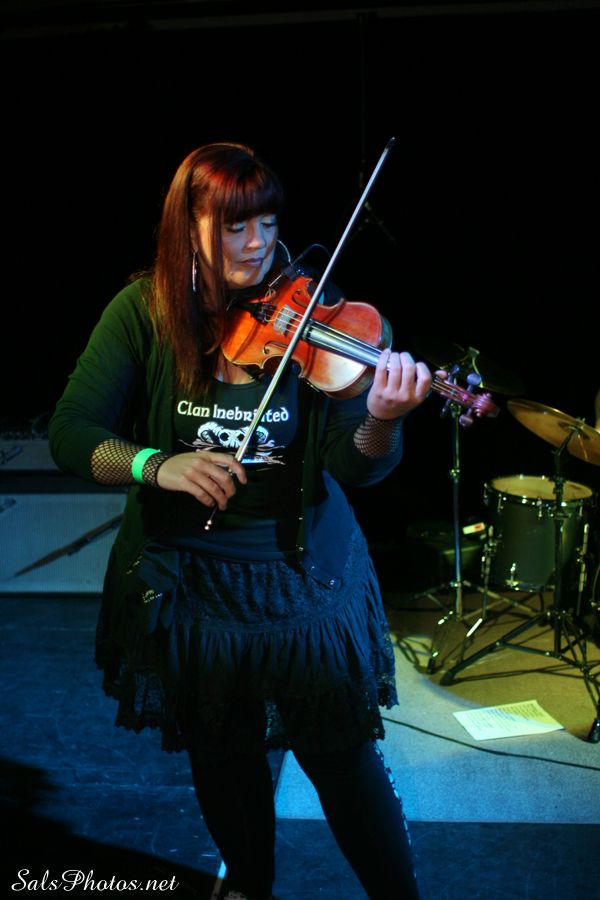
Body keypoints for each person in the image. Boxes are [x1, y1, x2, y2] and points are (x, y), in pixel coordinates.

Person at [48, 142, 432, 900]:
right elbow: (72, 432)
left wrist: (382, 420)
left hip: (301, 579)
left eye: (267, 223)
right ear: (186, 225)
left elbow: (354, 465)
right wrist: (155, 464)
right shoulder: (144, 311)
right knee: (222, 756)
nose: (257, 245)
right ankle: (250, 885)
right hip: (190, 583)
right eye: (233, 226)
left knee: (341, 759)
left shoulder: (317, 315)